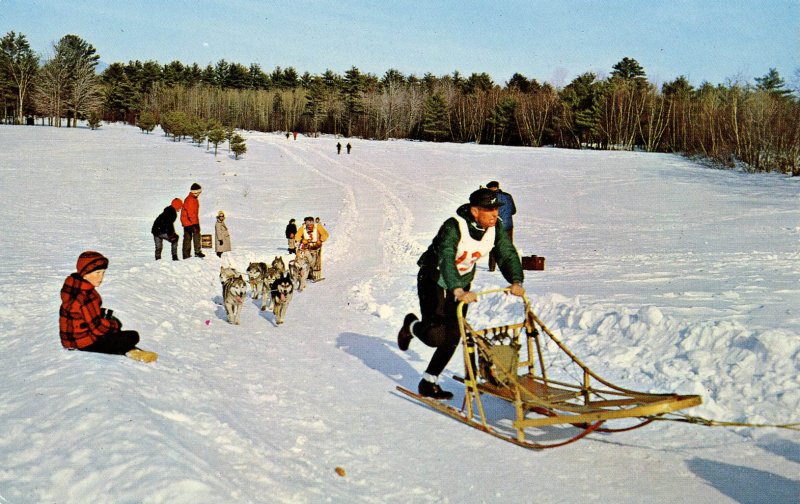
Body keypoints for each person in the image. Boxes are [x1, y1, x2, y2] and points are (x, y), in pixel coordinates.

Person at [397, 188, 525, 399]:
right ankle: (410, 325)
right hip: (434, 278)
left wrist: (516, 280)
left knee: (454, 334)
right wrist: (456, 288)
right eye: (489, 209)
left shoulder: (496, 227)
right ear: (475, 211)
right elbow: (446, 258)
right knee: (435, 336)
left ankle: (429, 381)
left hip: (461, 283)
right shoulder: (453, 226)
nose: (495, 214)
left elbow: (506, 253)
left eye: (496, 209)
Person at [59, 251, 155, 361]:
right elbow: (97, 328)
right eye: (97, 273)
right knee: (132, 336)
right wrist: (114, 324)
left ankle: (130, 351)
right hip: (84, 342)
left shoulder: (73, 289)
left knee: (114, 335)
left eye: (103, 273)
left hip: (71, 340)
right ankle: (130, 351)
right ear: (85, 274)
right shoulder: (86, 296)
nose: (101, 277)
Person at [486, 180, 517, 272]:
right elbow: (513, 211)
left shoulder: (490, 198)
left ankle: (492, 267)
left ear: (491, 188)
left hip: (495, 225)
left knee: (493, 245)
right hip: (508, 225)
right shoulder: (508, 196)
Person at [295, 216, 329, 281]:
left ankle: (316, 276)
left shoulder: (318, 226)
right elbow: (297, 236)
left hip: (316, 246)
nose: (310, 227)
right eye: (308, 225)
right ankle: (307, 274)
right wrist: (302, 240)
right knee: (306, 261)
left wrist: (321, 240)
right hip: (306, 247)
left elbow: (325, 234)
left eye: (311, 225)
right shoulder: (302, 228)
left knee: (316, 261)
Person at [181, 183, 205, 259]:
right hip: (190, 221)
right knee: (196, 234)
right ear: (195, 192)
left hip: (186, 221)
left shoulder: (190, 198)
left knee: (187, 237)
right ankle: (197, 251)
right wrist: (195, 224)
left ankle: (186, 255)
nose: (199, 194)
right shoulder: (191, 200)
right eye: (199, 192)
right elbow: (192, 213)